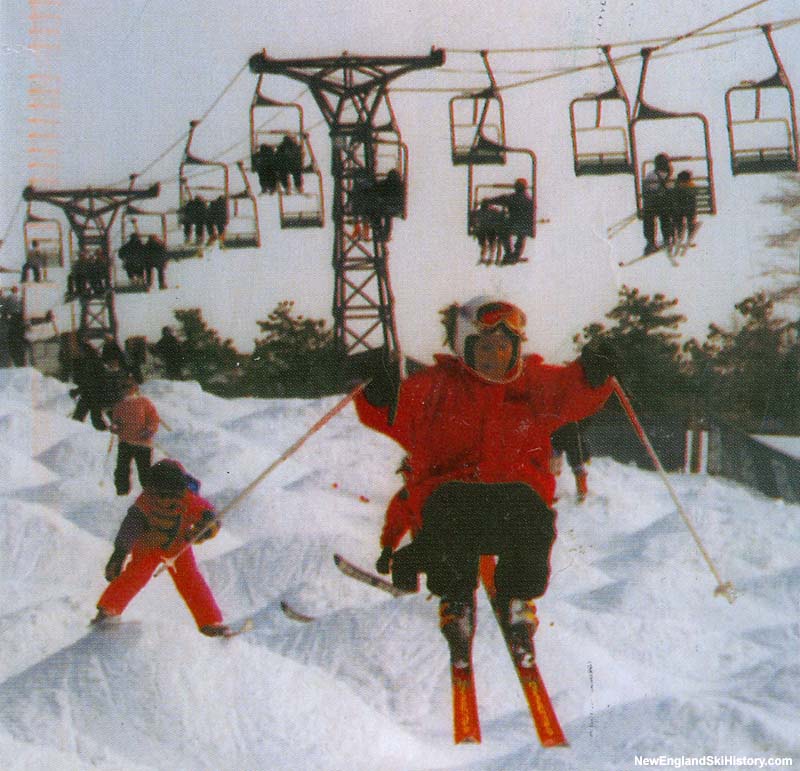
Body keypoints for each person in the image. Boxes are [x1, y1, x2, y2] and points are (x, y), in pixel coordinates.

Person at [346, 297, 616, 668]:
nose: (495, 357)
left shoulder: (532, 384)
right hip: (454, 505)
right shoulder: (436, 386)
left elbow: (570, 392)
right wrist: (379, 391)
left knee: (534, 516)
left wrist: (592, 374)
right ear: (464, 346)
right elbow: (394, 413)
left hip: (513, 504)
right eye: (486, 348)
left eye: (504, 348)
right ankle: (456, 598)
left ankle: (518, 598)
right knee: (448, 509)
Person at [92, 459, 230, 636]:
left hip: (178, 546)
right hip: (148, 545)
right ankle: (108, 610)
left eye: (172, 495)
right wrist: (119, 554)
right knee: (136, 575)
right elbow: (130, 529)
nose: (166, 500)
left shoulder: (190, 500)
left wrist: (208, 527)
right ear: (152, 490)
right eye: (161, 495)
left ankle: (210, 622)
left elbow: (209, 517)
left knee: (190, 579)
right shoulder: (145, 503)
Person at [110, 377, 160, 496]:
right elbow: (116, 421)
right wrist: (115, 427)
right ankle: (122, 494)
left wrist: (149, 430)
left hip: (143, 443)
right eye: (123, 387)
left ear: (135, 388)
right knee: (122, 470)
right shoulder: (119, 405)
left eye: (129, 386)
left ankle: (149, 495)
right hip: (125, 442)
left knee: (145, 471)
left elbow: (154, 419)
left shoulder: (144, 402)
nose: (126, 390)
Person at [485, 179, 534, 264]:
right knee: (522, 236)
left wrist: (488, 201)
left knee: (502, 230)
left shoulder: (512, 198)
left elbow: (501, 199)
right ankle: (516, 255)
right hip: (525, 226)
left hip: (513, 224)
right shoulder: (529, 200)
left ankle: (509, 253)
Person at [551, 422, 591, 503]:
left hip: (569, 435)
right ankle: (551, 491)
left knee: (576, 464)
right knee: (554, 463)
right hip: (560, 434)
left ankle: (581, 491)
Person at [642, 153, 673, 255]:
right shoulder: (670, 177)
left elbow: (646, 191)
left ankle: (650, 242)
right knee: (665, 217)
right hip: (665, 206)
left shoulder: (650, 175)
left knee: (648, 218)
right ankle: (667, 238)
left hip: (652, 206)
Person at [669, 170, 698, 246]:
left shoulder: (677, 187)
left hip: (679, 211)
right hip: (690, 211)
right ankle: (690, 238)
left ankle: (678, 236)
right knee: (691, 220)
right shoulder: (692, 187)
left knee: (677, 220)